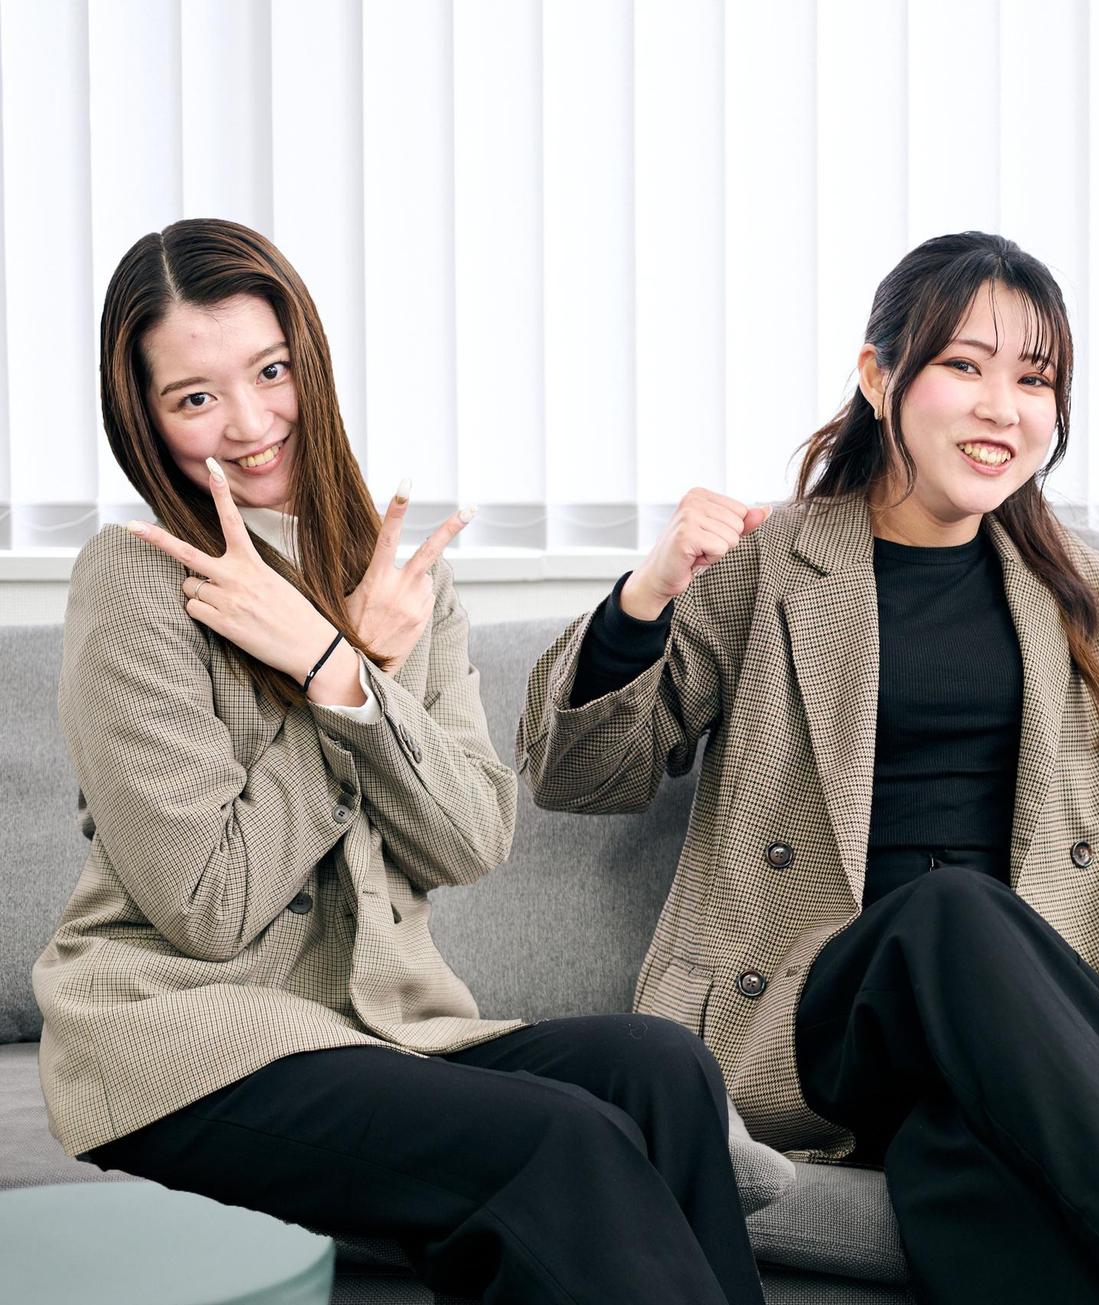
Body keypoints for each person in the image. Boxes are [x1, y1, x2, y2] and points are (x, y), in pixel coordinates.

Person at [518, 232, 1099, 1304]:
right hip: (825, 999)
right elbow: (581, 775)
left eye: (1034, 380)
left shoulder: (1075, 584)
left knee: (961, 1145)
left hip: (1016, 1016)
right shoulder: (768, 564)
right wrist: (646, 598)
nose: (1003, 408)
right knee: (952, 907)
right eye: (964, 365)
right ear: (878, 376)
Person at [34, 218, 764, 1305]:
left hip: (378, 1025)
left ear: (309, 362)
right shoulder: (136, 579)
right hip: (184, 1035)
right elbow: (210, 906)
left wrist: (347, 670)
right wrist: (350, 667)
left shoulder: (399, 574)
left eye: (270, 372)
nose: (250, 425)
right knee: (560, 1140)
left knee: (660, 1068)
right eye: (194, 398)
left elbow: (471, 837)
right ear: (143, 418)